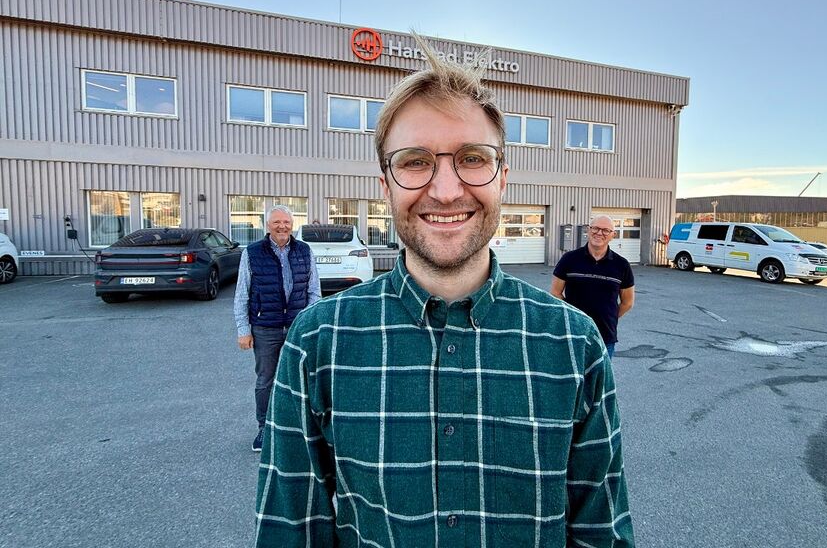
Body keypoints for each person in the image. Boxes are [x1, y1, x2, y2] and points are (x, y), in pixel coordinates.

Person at [254, 40, 634, 547]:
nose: (447, 190)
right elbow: (289, 532)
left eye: (473, 158)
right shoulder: (317, 344)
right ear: (385, 185)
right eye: (414, 162)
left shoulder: (574, 344)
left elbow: (600, 533)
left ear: (503, 179)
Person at [234, 205, 321, 452]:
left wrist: (311, 325)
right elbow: (242, 294)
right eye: (276, 222)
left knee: (301, 379)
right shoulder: (252, 253)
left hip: (297, 328)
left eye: (286, 222)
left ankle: (301, 427)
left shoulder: (304, 250)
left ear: (292, 224)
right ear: (267, 226)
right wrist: (244, 329)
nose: (282, 226)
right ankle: (265, 428)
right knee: (266, 380)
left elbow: (313, 290)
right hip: (265, 328)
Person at [550, 214, 635, 357]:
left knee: (599, 379)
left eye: (605, 230)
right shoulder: (569, 259)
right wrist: (573, 317)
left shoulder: (622, 265)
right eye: (595, 228)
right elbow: (555, 293)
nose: (599, 233)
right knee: (571, 378)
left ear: (612, 235)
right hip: (573, 334)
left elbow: (628, 302)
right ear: (589, 230)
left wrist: (610, 317)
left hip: (604, 337)